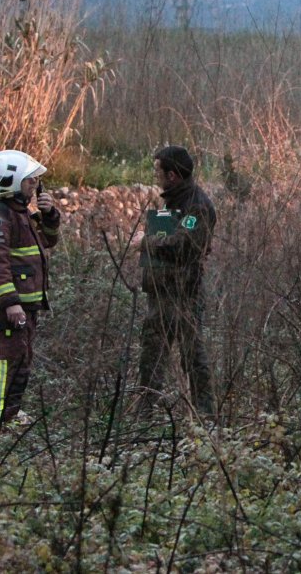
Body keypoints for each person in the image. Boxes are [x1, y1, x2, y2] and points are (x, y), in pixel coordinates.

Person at [0, 149, 61, 424]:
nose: (35, 185)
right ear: (11, 183)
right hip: (8, 307)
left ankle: (11, 414)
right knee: (5, 362)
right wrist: (10, 302)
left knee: (21, 359)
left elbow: (46, 242)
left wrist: (49, 216)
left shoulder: (22, 213)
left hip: (25, 305)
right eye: (29, 181)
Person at [137, 145, 217, 416]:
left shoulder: (197, 207)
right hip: (160, 295)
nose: (154, 175)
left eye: (158, 170)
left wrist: (146, 243)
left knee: (192, 355)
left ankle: (205, 416)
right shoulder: (172, 201)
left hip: (185, 295)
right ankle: (145, 411)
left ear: (171, 175)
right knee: (151, 354)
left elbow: (186, 244)